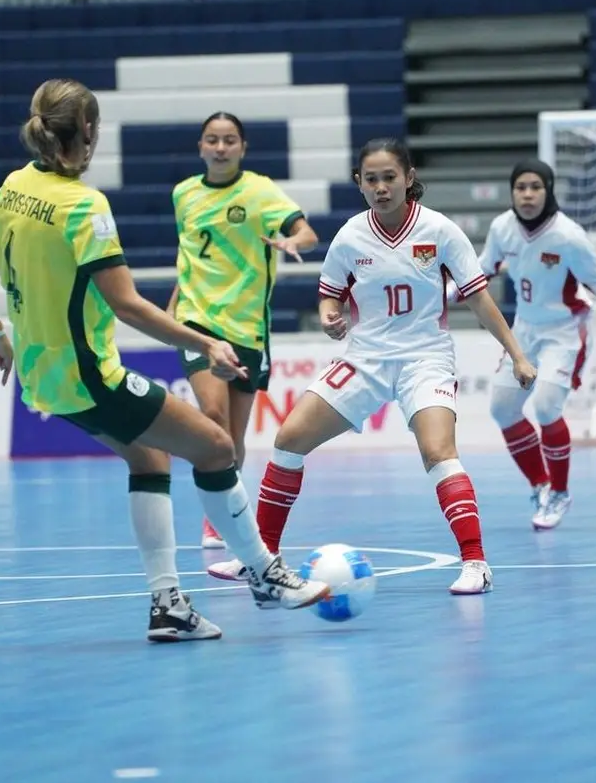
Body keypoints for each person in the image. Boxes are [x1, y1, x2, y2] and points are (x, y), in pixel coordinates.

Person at [0, 79, 329, 643]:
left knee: (149, 462)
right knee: (217, 447)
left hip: (44, 381)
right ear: (90, 133)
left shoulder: (12, 189)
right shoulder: (84, 205)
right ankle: (266, 575)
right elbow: (127, 305)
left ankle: (168, 607)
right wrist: (204, 343)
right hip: (93, 376)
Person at [207, 138, 538, 597]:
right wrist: (328, 316)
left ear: (408, 177)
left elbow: (479, 298)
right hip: (364, 360)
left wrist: (517, 354)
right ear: (359, 184)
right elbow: (330, 294)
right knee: (288, 439)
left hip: (425, 359)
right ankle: (260, 560)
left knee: (438, 452)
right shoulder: (350, 236)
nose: (381, 187)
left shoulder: (440, 231)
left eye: (389, 177)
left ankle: (476, 563)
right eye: (371, 179)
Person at [166, 111, 320, 551]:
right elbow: (191, 256)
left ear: (243, 148)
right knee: (212, 419)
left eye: (229, 140)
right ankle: (215, 520)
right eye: (212, 140)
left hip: (248, 327)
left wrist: (295, 242)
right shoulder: (183, 194)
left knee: (232, 440)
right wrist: (175, 306)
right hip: (197, 322)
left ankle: (228, 508)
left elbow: (305, 231)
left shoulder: (259, 190)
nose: (220, 147)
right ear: (200, 147)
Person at [472, 159, 596, 528]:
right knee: (503, 410)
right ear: (512, 191)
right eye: (521, 188)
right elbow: (484, 268)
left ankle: (561, 494)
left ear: (548, 191)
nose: (528, 194)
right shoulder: (502, 227)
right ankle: (540, 485)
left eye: (536, 187)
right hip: (524, 332)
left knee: (547, 406)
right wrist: (448, 292)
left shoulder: (568, 236)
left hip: (566, 332)